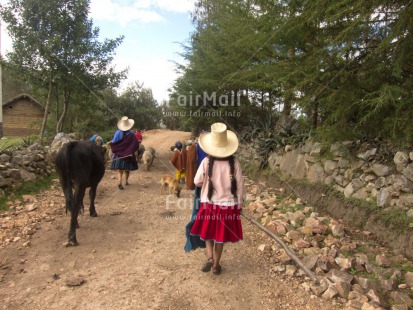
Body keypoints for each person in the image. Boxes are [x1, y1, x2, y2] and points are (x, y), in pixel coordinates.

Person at [190, 123, 245, 275]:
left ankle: (209, 258)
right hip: (228, 206)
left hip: (209, 204)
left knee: (208, 233)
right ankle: (216, 265)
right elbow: (240, 186)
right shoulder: (234, 163)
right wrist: (240, 204)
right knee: (220, 236)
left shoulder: (207, 162)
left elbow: (197, 182)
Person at [109, 116, 140, 190]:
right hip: (128, 154)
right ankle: (126, 181)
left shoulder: (117, 132)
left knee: (119, 170)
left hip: (119, 154)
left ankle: (120, 182)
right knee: (127, 169)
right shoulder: (132, 134)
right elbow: (136, 144)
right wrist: (131, 150)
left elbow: (114, 142)